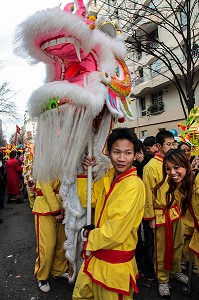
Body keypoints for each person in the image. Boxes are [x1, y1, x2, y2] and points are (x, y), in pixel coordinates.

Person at [72, 127, 145, 300]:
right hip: (96, 257)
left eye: (128, 153)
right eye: (116, 152)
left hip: (114, 266)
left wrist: (89, 237)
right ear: (108, 152)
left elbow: (115, 231)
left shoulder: (133, 185)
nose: (121, 158)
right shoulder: (109, 175)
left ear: (135, 155)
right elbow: (88, 200)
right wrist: (84, 173)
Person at [143, 130, 188, 298]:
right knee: (161, 248)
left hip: (176, 211)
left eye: (173, 144)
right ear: (158, 146)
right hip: (160, 214)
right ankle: (163, 279)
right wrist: (150, 217)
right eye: (168, 144)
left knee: (177, 244)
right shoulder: (150, 167)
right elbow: (147, 194)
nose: (172, 147)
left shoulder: (174, 162)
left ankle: (176, 271)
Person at [157, 148, 199, 276]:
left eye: (176, 167)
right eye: (168, 169)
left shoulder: (197, 182)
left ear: (186, 165)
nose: (172, 172)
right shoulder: (177, 188)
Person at [32, 178, 68, 293]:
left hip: (61, 205)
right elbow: (46, 188)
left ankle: (59, 270)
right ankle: (42, 276)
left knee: (61, 243)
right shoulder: (45, 161)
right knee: (47, 245)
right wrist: (56, 210)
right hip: (45, 206)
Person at [178, 142, 199, 275]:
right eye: (183, 151)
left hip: (195, 206)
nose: (186, 153)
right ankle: (185, 260)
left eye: (188, 150)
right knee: (185, 236)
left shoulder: (195, 163)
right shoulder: (179, 166)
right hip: (184, 205)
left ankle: (195, 262)